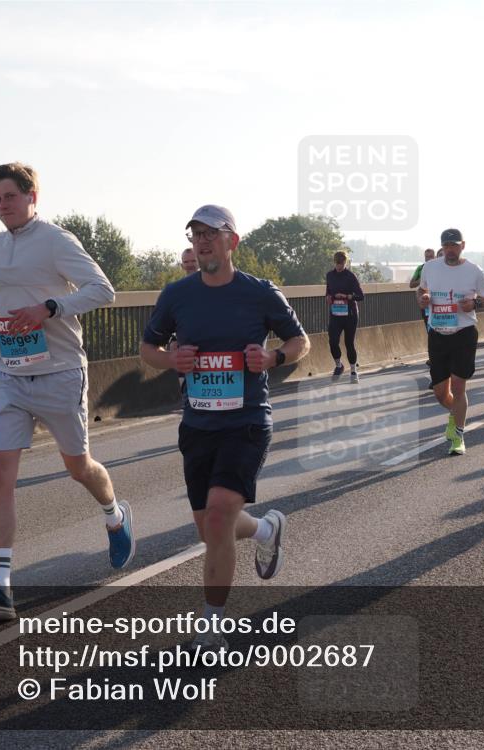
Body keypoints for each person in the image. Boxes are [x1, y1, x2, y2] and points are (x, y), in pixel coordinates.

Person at [0, 162, 131, 622]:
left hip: (60, 372)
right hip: (9, 375)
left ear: (31, 196)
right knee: (1, 477)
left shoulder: (56, 240)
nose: (2, 206)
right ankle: (1, 586)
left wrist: (50, 307)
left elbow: (103, 289)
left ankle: (114, 514)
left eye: (9, 196)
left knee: (78, 467)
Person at [140, 204, 310, 651]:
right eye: (196, 234)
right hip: (198, 425)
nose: (202, 241)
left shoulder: (259, 292)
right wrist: (170, 360)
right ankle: (266, 530)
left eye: (212, 234)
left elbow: (301, 341)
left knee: (218, 516)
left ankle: (212, 625)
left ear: (232, 241)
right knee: (211, 528)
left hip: (247, 422)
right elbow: (148, 348)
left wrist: (274, 358)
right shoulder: (178, 295)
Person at [417, 228, 484, 455]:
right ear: (442, 247)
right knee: (441, 393)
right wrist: (424, 298)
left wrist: (476, 304)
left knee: (459, 388)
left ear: (463, 245)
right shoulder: (430, 267)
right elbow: (422, 289)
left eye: (454, 245)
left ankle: (458, 436)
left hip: (463, 333)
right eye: (446, 245)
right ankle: (457, 414)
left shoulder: (473, 270)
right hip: (438, 333)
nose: (450, 249)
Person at [325, 250, 365, 384]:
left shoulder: (350, 276)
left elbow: (361, 296)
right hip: (335, 314)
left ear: (345, 262)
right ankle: (338, 365)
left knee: (349, 343)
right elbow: (328, 292)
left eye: (341, 263)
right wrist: (329, 297)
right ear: (334, 262)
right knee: (332, 341)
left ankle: (353, 371)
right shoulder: (330, 275)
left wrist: (347, 296)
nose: (339, 266)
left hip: (350, 314)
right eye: (337, 263)